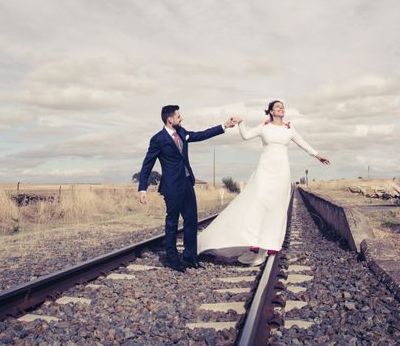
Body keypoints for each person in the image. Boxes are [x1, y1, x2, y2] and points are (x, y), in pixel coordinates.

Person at [197, 100, 329, 265]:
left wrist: (317, 155)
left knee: (277, 206)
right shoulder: (264, 126)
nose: (281, 108)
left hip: (281, 171)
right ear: (271, 112)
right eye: (278, 107)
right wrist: (241, 123)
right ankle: (255, 241)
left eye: (283, 107)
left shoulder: (289, 127)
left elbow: (303, 143)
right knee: (258, 203)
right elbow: (246, 136)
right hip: (265, 170)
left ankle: (270, 244)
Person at [137, 105, 237, 272]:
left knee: (191, 221)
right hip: (171, 187)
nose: (181, 118)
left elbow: (202, 134)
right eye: (178, 116)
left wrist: (224, 126)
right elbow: (147, 163)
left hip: (187, 183)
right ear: (170, 119)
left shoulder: (182, 133)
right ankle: (172, 259)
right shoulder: (158, 139)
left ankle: (190, 258)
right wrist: (142, 188)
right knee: (172, 223)